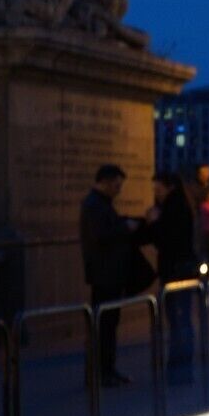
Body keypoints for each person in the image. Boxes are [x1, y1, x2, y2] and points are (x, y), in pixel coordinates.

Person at [79, 164, 153, 388]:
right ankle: (102, 373)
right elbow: (101, 235)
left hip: (109, 274)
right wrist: (126, 228)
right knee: (104, 326)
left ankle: (106, 371)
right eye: (117, 185)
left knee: (108, 326)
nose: (119, 190)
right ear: (106, 181)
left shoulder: (99, 205)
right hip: (105, 275)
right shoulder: (94, 205)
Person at [147, 171, 199, 382]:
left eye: (158, 189)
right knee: (182, 318)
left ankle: (179, 368)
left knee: (178, 320)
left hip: (175, 269)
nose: (156, 194)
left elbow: (166, 240)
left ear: (169, 187)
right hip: (183, 267)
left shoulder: (172, 208)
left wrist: (152, 223)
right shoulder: (182, 205)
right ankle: (182, 367)